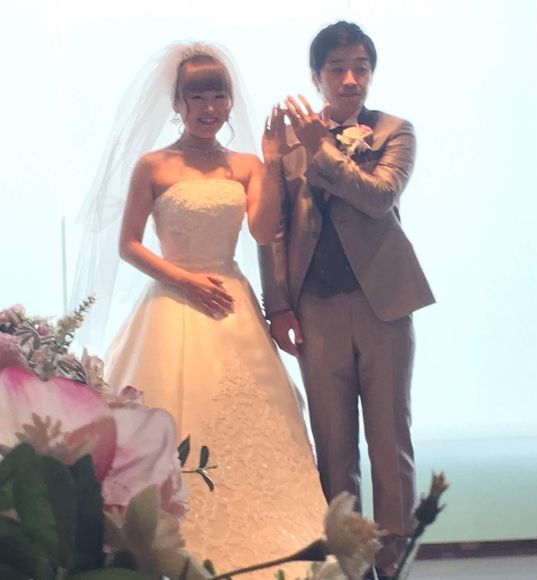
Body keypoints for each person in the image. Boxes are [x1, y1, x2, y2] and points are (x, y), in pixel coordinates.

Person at [74, 43, 326, 577]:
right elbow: (129, 245)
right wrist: (185, 279)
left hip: (231, 305)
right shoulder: (154, 165)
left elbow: (263, 232)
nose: (209, 107)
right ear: (177, 103)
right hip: (172, 300)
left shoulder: (246, 165)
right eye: (197, 97)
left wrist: (273, 164)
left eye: (218, 96)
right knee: (166, 413)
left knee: (248, 423)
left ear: (229, 102)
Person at [259, 22, 435, 579]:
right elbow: (274, 229)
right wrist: (277, 305)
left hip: (385, 302)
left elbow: (379, 198)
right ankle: (347, 562)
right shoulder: (286, 142)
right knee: (333, 444)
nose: (350, 78)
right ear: (317, 76)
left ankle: (393, 562)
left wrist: (321, 148)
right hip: (316, 307)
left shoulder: (394, 131)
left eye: (360, 67)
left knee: (390, 439)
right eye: (337, 68)